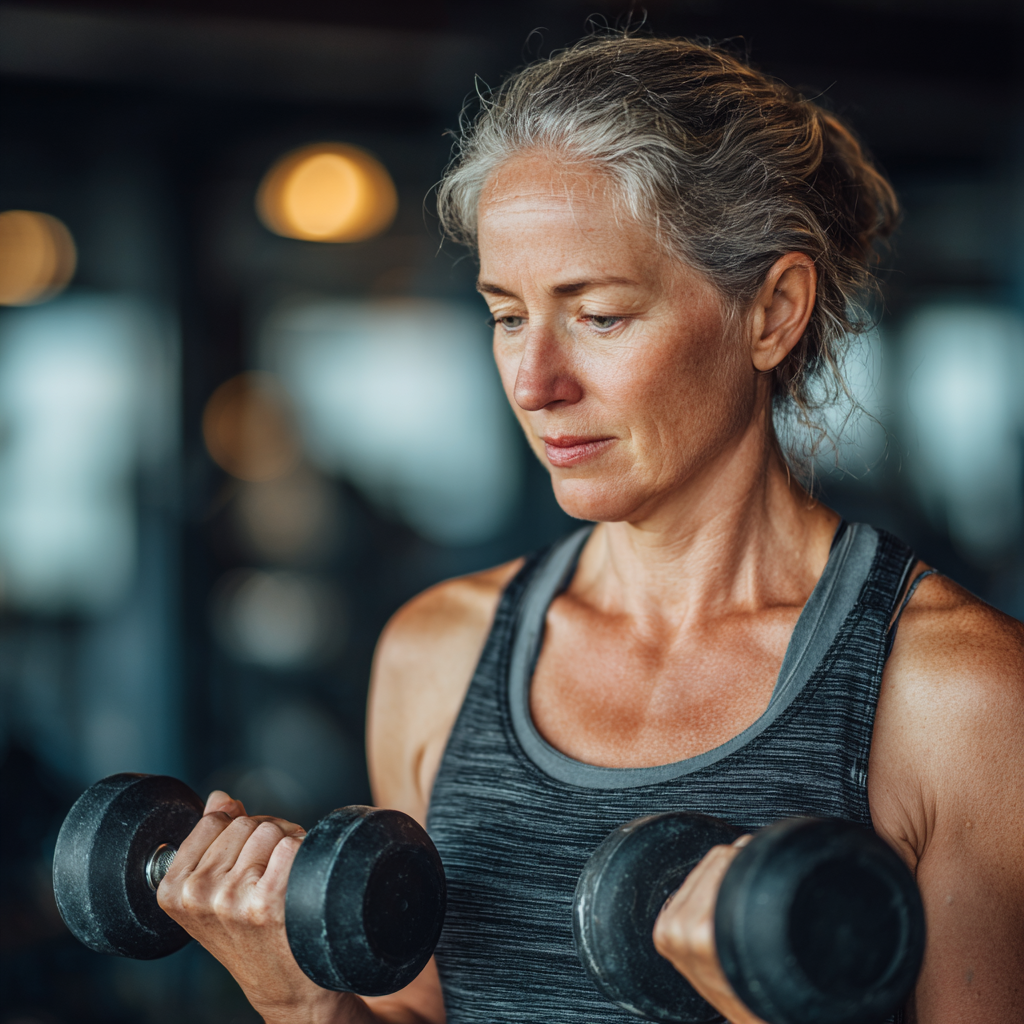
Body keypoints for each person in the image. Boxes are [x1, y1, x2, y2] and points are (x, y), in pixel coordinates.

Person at [156, 35, 1024, 1024]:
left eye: (600, 316)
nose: (536, 385)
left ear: (773, 310)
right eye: (507, 316)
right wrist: (301, 1001)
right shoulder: (437, 653)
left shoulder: (958, 696)